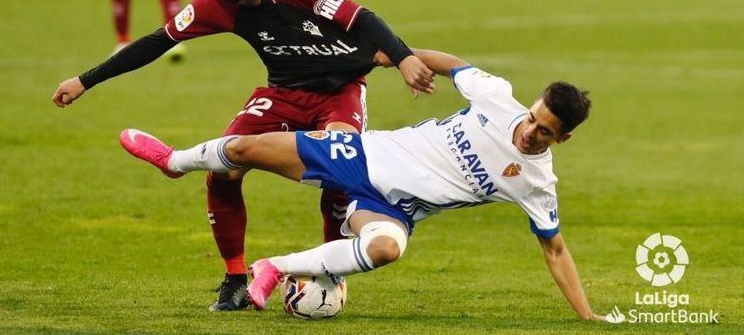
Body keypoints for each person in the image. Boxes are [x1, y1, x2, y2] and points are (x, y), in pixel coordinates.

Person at [52, 0, 435, 311]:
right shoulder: (213, 7)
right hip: (282, 93)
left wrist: (404, 59)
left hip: (339, 93)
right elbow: (155, 42)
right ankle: (235, 277)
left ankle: (328, 271)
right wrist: (86, 80)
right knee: (223, 171)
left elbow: (363, 18)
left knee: (340, 175)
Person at [119, 48, 608, 322]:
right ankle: (174, 160)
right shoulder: (497, 97)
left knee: (387, 249)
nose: (529, 131)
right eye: (532, 118)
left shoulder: (537, 184)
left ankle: (271, 268)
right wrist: (401, 60)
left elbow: (556, 251)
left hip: (391, 210)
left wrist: (587, 318)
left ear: (561, 138)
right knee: (247, 150)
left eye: (544, 131)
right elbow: (451, 64)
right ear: (532, 106)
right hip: (364, 156)